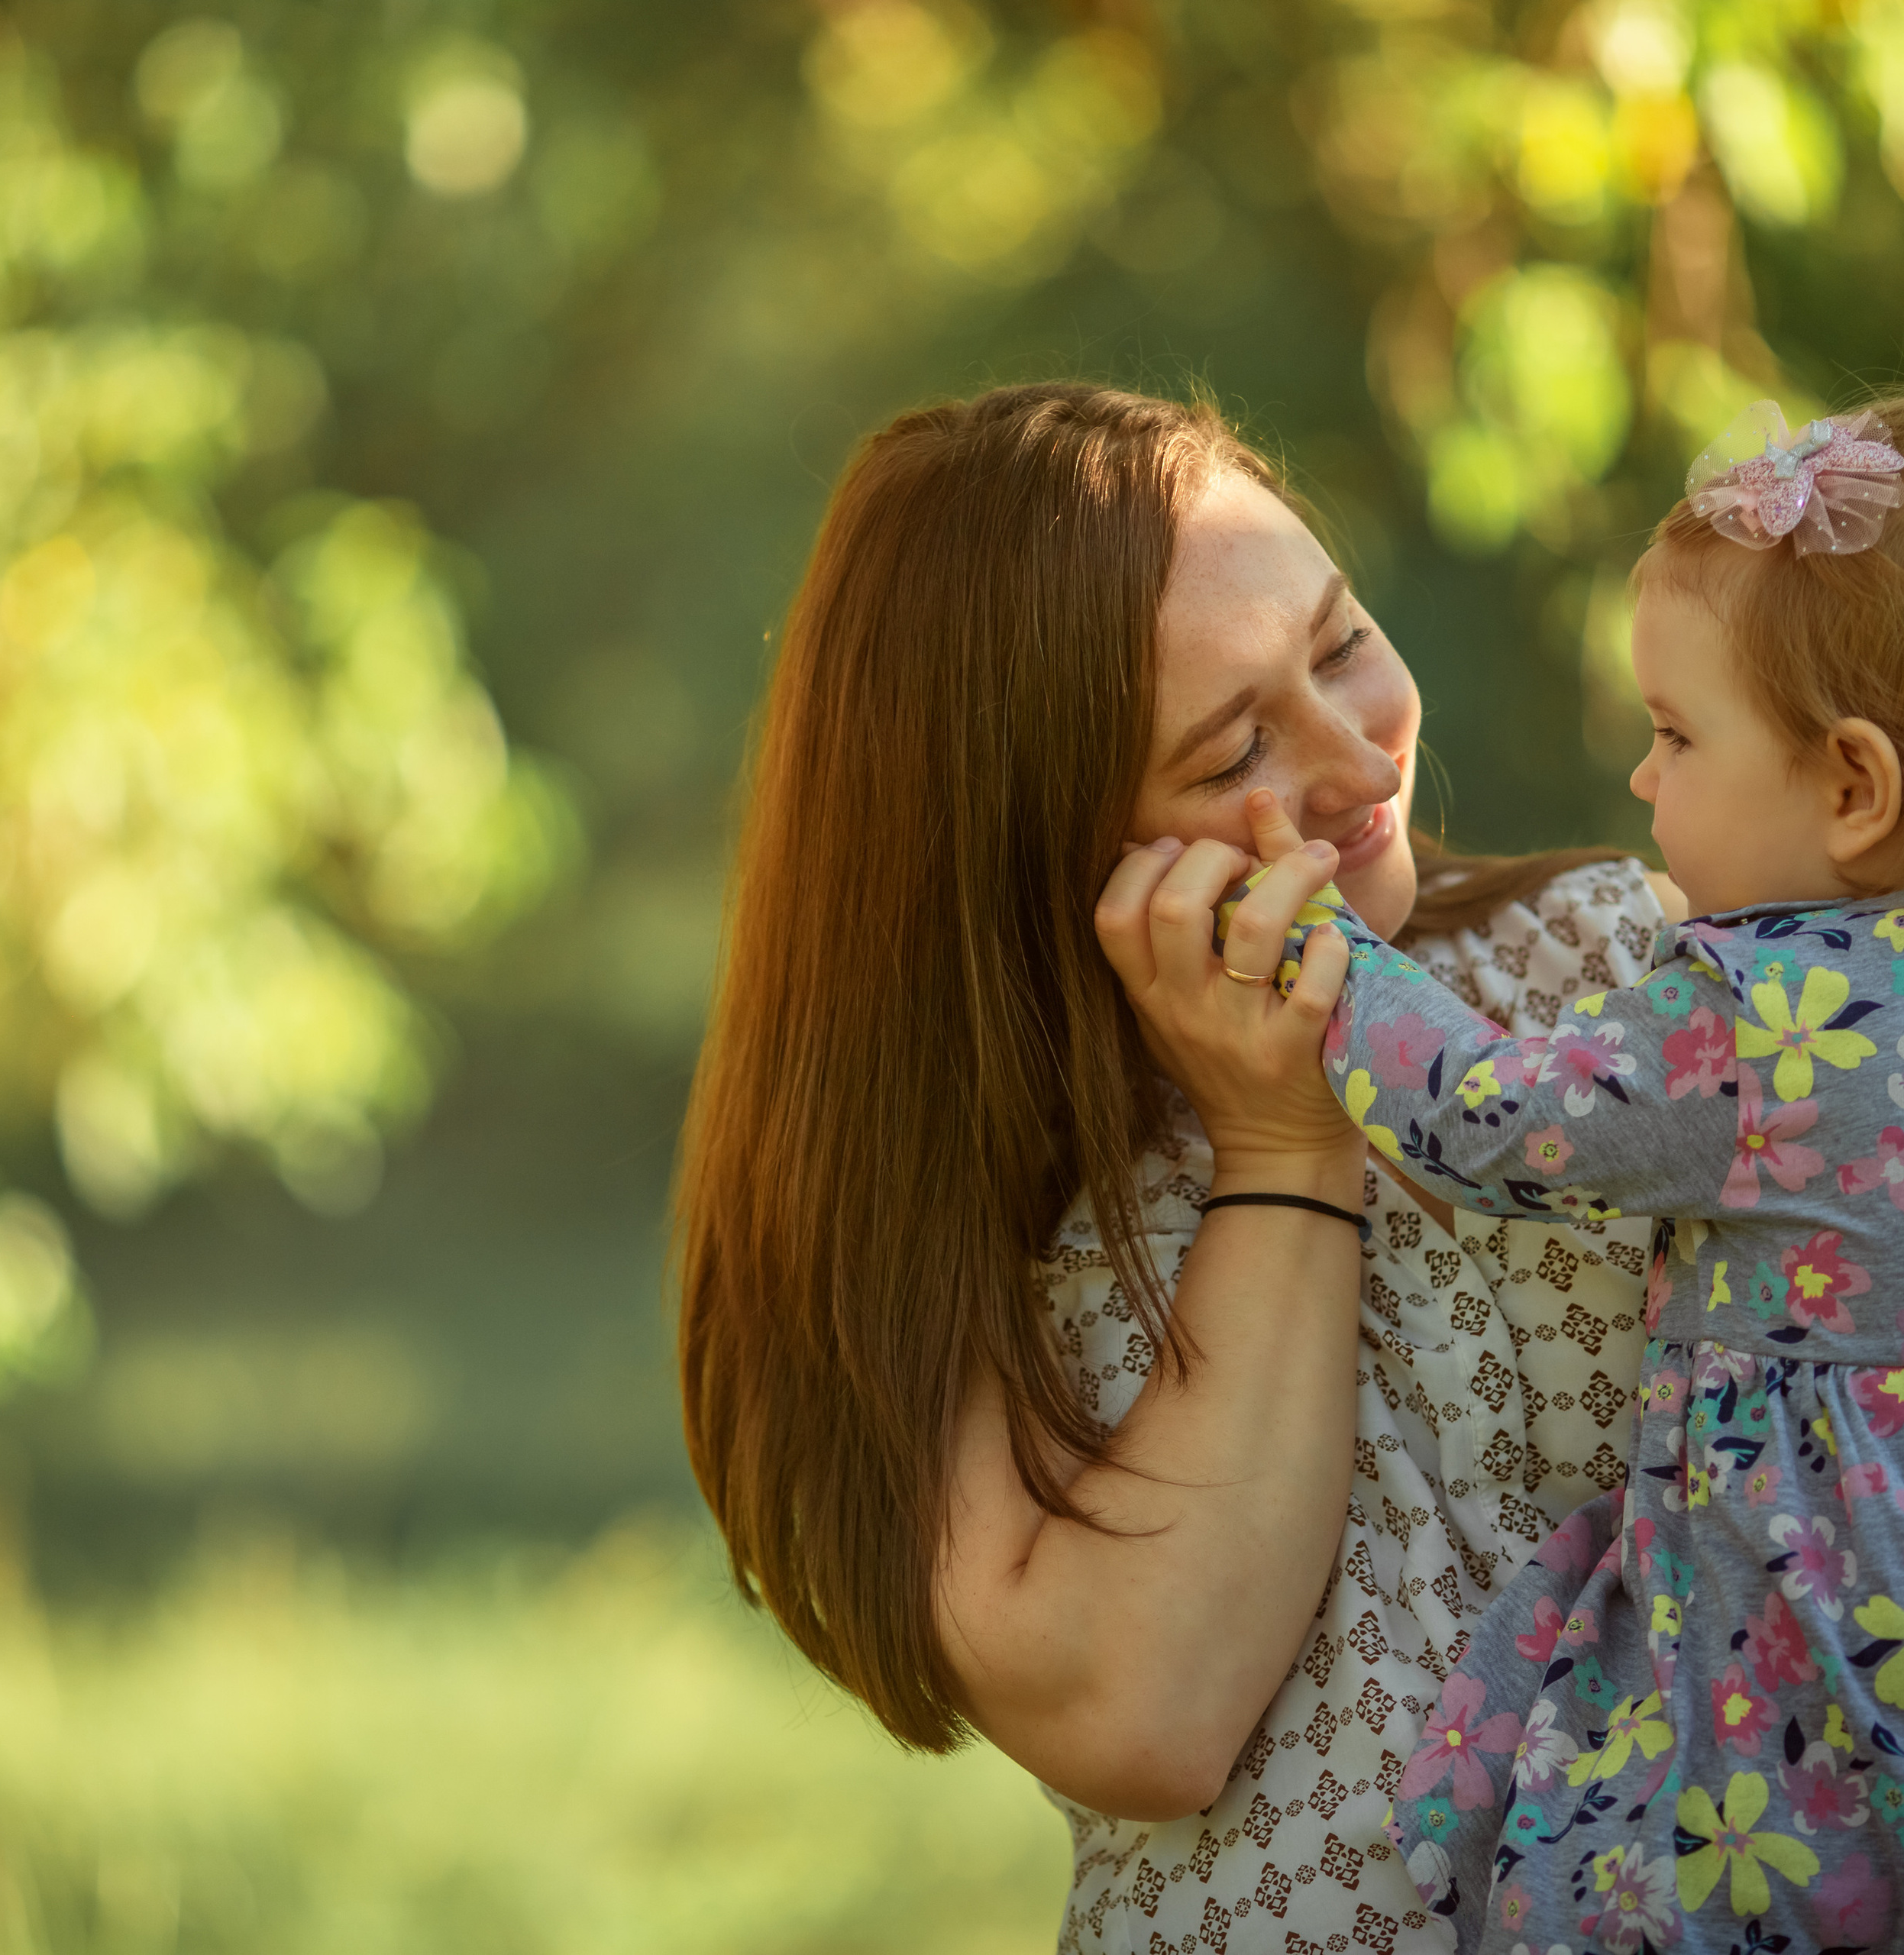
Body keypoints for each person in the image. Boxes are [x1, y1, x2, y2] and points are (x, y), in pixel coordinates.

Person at [676, 383, 1679, 1950]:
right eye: (1234, 751)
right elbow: (1146, 1712)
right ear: (1043, 848)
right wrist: (1284, 1141)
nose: (1358, 758)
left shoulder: (1613, 975)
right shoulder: (954, 1235)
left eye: (1340, 643)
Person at [1227, 399, 1904, 1949]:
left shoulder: (1754, 1019)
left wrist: (1321, 952)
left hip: (1795, 1656)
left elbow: (1487, 1116)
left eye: (1673, 735)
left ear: (1851, 788)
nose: (1635, 778)